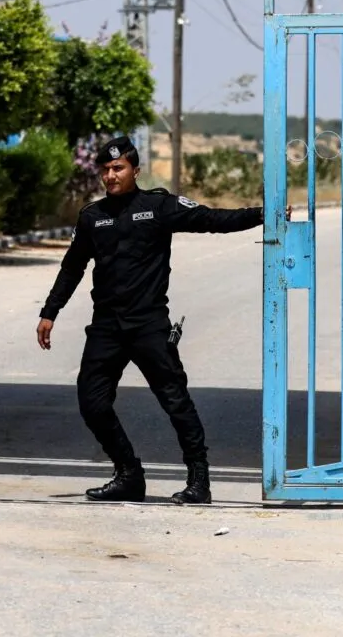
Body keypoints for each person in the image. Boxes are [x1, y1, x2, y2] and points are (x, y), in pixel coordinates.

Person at [36, 135, 287, 505]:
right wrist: (50, 311)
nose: (111, 175)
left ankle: (199, 480)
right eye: (105, 170)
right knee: (92, 403)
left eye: (118, 168)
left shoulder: (158, 206)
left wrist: (261, 215)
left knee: (175, 401)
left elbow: (209, 219)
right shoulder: (92, 217)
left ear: (135, 170)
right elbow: (73, 266)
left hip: (149, 324)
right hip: (106, 326)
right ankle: (128, 474)